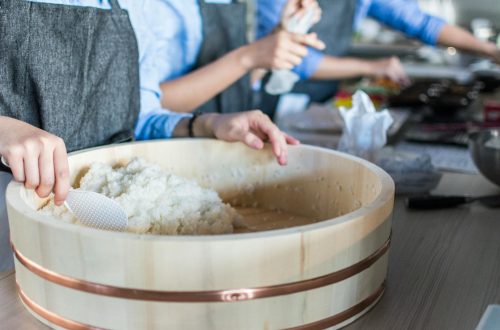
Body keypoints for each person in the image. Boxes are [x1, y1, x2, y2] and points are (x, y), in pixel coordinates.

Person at [0, 0, 299, 271]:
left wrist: (206, 124)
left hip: (102, 223)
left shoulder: (135, 8)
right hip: (12, 210)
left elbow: (139, 114)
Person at [258, 0, 500, 114]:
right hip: (270, 98)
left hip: (321, 99)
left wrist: (489, 50)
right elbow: (298, 60)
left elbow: (421, 23)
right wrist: (372, 66)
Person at [137, 0, 325, 116]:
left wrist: (280, 35)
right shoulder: (149, 7)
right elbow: (142, 105)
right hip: (171, 149)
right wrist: (248, 57)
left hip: (224, 141)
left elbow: (237, 83)